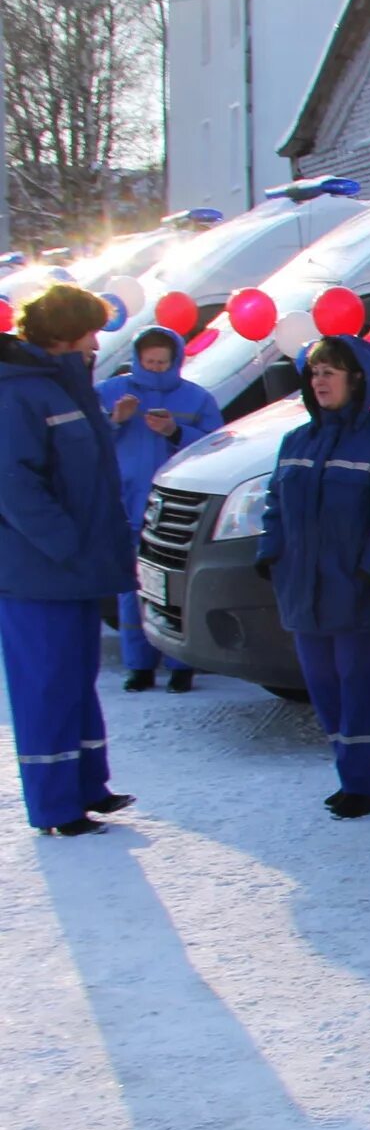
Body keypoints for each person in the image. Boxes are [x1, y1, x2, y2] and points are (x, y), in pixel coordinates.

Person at [256, 334, 370, 819]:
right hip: (302, 591)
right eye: (315, 371)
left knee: (358, 686)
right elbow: (274, 507)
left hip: (355, 592)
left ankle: (361, 783)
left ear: (358, 378)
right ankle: (351, 774)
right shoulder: (296, 441)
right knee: (324, 687)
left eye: (331, 370)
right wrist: (272, 555)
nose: (320, 379)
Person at [0, 284, 137, 836]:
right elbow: (15, 485)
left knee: (76, 680)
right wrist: (67, 544)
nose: (97, 342)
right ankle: (55, 807)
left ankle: (86, 787)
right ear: (61, 333)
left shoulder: (61, 385)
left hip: (71, 568)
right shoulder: (18, 394)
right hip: (39, 573)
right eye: (89, 331)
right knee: (46, 686)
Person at [96, 324, 217, 691]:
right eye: (149, 362)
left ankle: (182, 664)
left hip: (177, 510)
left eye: (163, 363)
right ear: (136, 360)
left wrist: (175, 433)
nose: (156, 369)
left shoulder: (197, 399)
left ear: (176, 360)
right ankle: (140, 665)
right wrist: (115, 421)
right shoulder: (110, 392)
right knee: (130, 588)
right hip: (125, 504)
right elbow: (86, 441)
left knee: (173, 584)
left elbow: (216, 447)